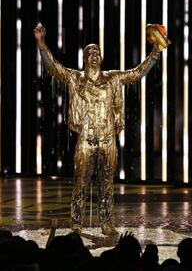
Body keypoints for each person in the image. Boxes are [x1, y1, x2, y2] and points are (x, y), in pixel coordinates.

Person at [33, 23, 165, 236]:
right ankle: (76, 222)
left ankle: (106, 222)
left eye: (97, 52)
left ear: (101, 58)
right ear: (84, 58)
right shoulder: (75, 78)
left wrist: (155, 52)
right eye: (89, 52)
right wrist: (41, 43)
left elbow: (137, 74)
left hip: (107, 138)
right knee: (80, 183)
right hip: (86, 138)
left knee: (107, 184)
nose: (93, 55)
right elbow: (53, 67)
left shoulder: (113, 78)